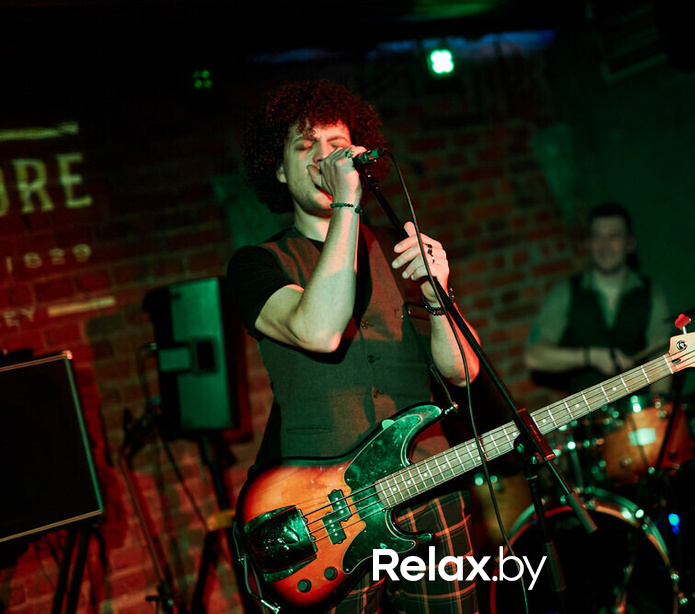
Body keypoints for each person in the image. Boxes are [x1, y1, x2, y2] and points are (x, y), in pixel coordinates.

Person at [226, 80, 481, 613]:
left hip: (429, 486)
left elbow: (463, 371)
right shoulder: (256, 265)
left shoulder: (394, 249)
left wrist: (439, 296)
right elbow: (317, 330)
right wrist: (346, 202)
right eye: (305, 147)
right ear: (278, 169)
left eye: (337, 144)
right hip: (328, 515)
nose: (325, 158)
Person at [524, 202, 671, 398]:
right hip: (588, 419)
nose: (604, 245)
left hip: (640, 414)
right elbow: (534, 357)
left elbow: (661, 355)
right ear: (589, 243)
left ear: (630, 243)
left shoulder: (651, 292)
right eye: (597, 237)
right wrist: (590, 357)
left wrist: (659, 407)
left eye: (614, 236)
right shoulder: (565, 292)